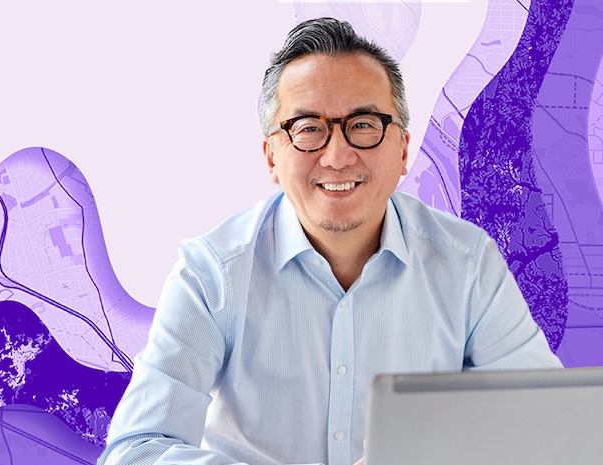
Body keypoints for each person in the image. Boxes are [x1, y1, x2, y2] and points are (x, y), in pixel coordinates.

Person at [98, 17, 562, 465]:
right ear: (272, 157)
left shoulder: (468, 262)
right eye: (308, 129)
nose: (338, 157)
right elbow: (135, 449)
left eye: (363, 124)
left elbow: (548, 423)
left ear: (402, 150)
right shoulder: (211, 272)